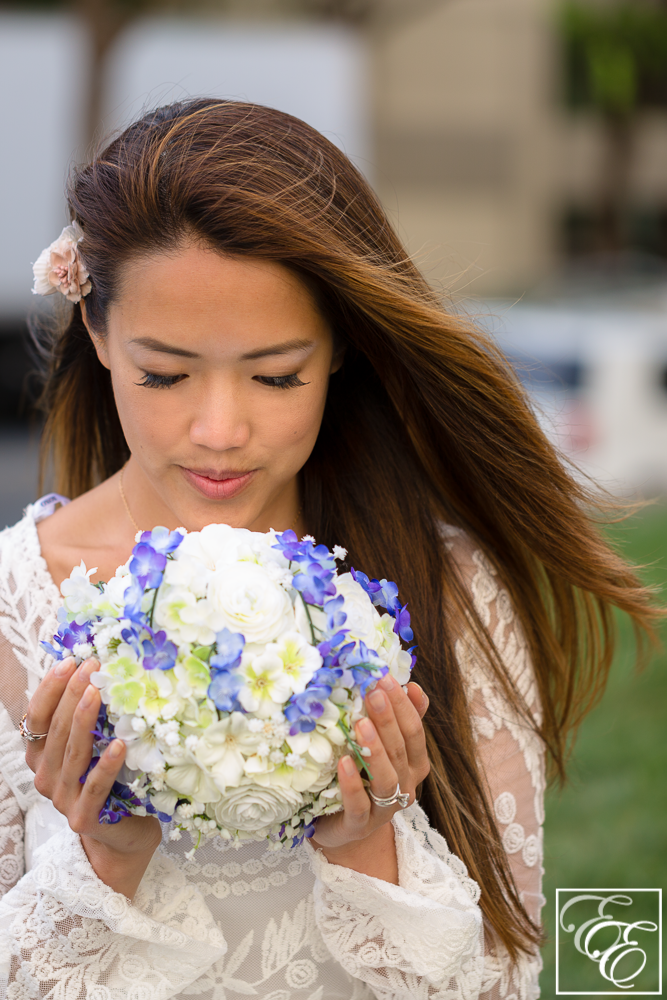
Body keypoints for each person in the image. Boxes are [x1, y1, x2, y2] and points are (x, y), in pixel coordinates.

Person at [0, 99, 657, 1000]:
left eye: (276, 376)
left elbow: (513, 976)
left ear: (340, 348)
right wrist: (101, 863)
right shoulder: (14, 600)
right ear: (99, 333)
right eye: (165, 374)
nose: (220, 429)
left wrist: (371, 851)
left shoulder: (456, 589)